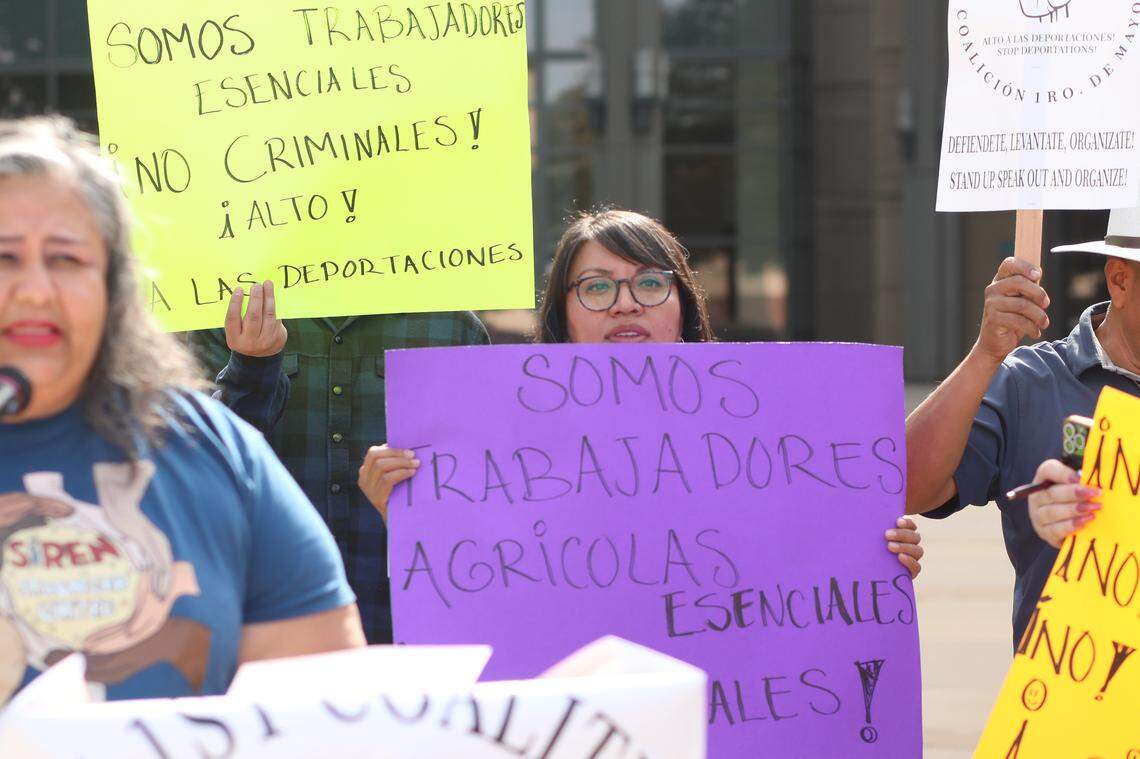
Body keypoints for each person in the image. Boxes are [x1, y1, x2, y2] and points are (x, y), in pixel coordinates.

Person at [0, 117, 363, 705]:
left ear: (114, 288)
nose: (36, 289)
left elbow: (326, 710)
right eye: (4, 258)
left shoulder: (211, 447)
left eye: (66, 260)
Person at [358, 208, 925, 578]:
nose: (626, 303)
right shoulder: (491, 439)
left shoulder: (771, 434)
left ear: (683, 303)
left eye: (650, 283)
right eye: (598, 286)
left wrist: (871, 556)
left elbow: (801, 563)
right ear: (562, 311)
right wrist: (408, 514)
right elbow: (473, 573)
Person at [187, 264, 489, 647]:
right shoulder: (223, 315)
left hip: (409, 624)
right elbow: (200, 473)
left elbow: (484, 492)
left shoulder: (451, 326)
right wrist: (251, 367)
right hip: (269, 622)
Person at [906, 206, 1140, 645]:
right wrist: (985, 355)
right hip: (1075, 703)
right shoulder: (1027, 383)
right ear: (1120, 280)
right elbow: (907, 486)